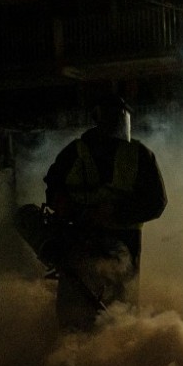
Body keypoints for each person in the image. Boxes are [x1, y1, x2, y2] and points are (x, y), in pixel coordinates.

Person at [42, 94, 167, 329]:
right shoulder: (76, 152)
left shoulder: (138, 154)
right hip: (80, 234)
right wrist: (75, 211)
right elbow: (54, 191)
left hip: (119, 241)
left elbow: (156, 202)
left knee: (118, 308)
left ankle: (111, 347)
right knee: (80, 304)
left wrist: (115, 213)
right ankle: (74, 347)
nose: (115, 123)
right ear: (98, 118)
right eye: (111, 117)